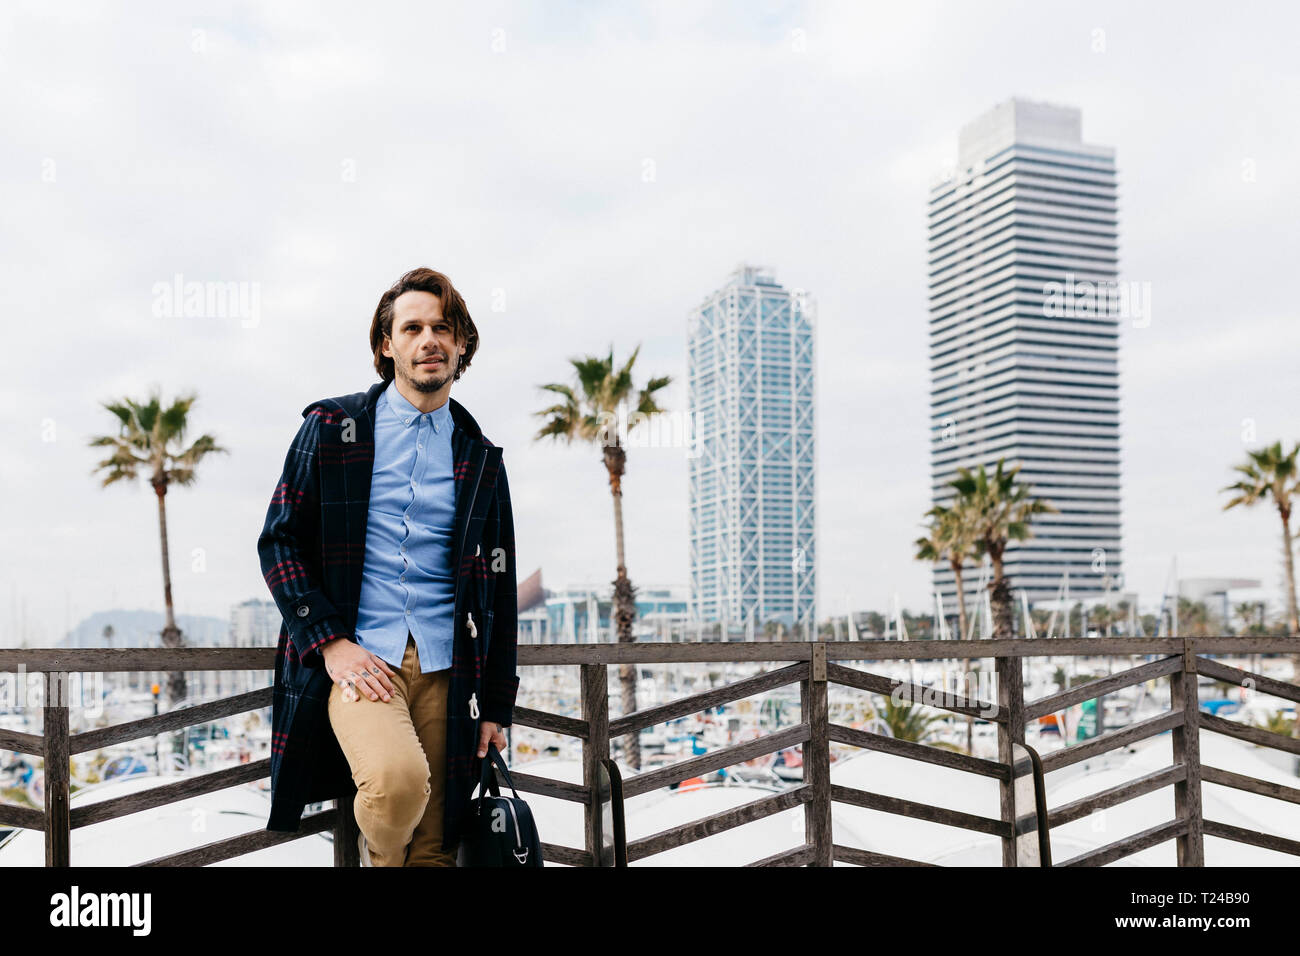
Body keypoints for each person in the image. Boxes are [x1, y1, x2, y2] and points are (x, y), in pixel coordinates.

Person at [258, 267, 520, 866]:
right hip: (361, 658)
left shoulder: (480, 457)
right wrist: (329, 643)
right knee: (397, 785)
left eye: (443, 328)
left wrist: (497, 707)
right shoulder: (332, 429)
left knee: (435, 843)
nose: (430, 339)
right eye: (413, 327)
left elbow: (498, 590)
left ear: (461, 346)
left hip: (450, 666)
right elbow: (279, 541)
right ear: (387, 344)